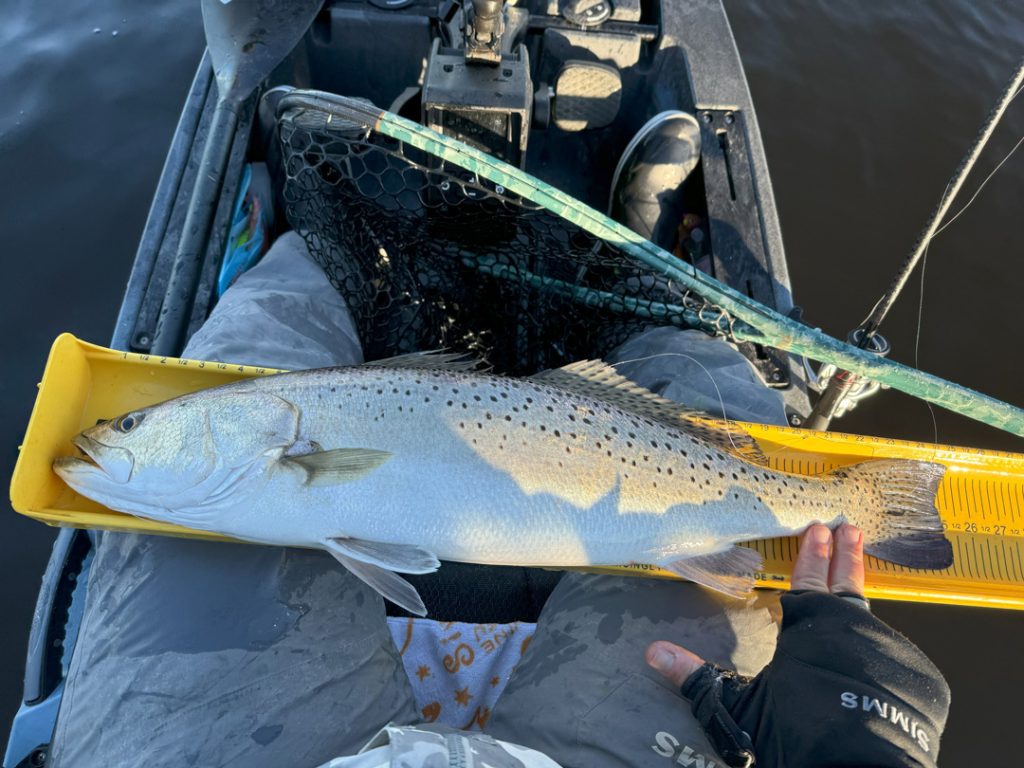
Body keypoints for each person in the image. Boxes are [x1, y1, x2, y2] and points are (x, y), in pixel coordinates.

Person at [47, 112, 949, 768]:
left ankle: (303, 252)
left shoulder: (245, 440)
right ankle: (650, 272)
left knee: (257, 340)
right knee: (701, 371)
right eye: (130, 426)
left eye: (132, 427)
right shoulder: (268, 440)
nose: (117, 437)